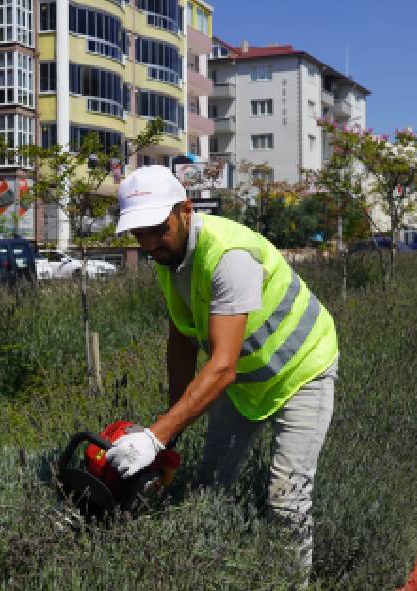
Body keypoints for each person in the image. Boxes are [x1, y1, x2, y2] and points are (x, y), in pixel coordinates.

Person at [104, 166, 339, 570]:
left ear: (185, 211)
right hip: (248, 383)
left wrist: (154, 438)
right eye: (138, 234)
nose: (148, 243)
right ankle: (214, 578)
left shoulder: (228, 256)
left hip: (302, 370)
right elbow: (181, 337)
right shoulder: (168, 258)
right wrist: (170, 429)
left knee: (286, 501)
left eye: (156, 229)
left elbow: (222, 365)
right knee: (210, 489)